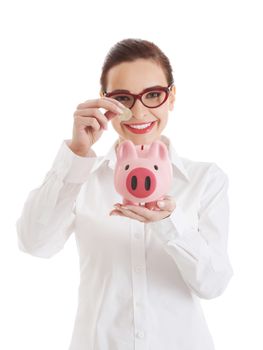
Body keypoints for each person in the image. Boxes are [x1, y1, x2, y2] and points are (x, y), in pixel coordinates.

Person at [16, 38, 234, 350]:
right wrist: (77, 153)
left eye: (153, 95)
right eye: (123, 98)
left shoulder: (205, 179)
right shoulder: (82, 178)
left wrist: (169, 223)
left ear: (171, 97)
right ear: (105, 101)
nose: (138, 111)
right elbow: (34, 242)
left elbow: (213, 284)